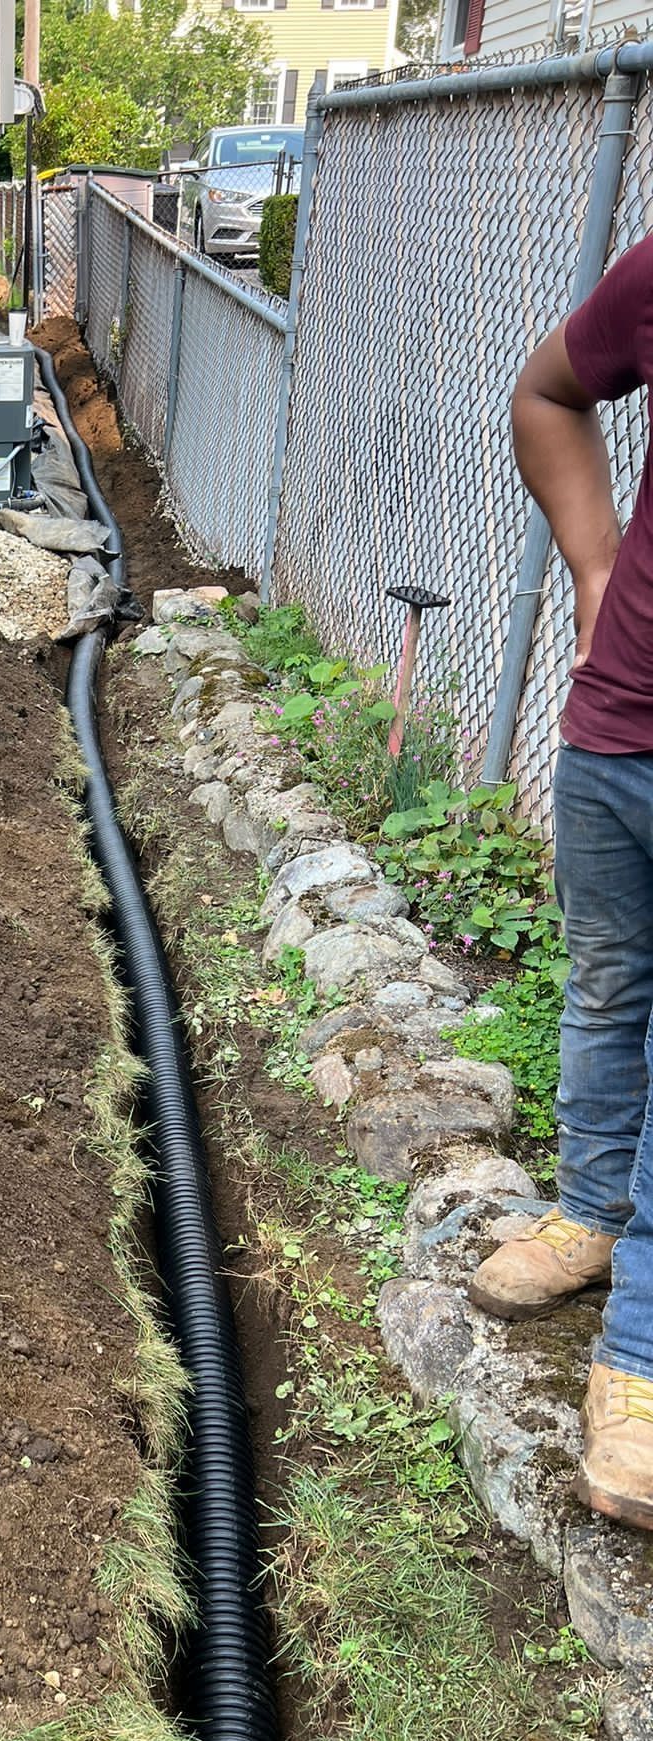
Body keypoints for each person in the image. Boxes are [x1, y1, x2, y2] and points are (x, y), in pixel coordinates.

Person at [469, 238, 653, 1531]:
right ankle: (589, 1214)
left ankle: (638, 1362)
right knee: (604, 987)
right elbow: (548, 391)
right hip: (616, 732)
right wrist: (594, 570)